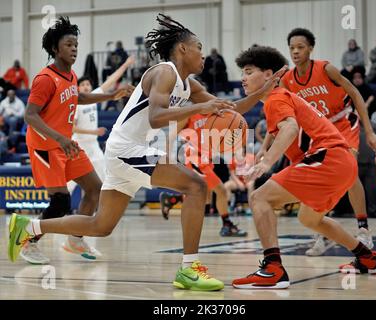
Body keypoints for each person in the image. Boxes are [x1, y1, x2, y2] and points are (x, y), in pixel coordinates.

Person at [8, 14, 284, 291]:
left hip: (128, 151)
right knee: (196, 184)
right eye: (199, 46)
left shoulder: (191, 85)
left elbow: (229, 108)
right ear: (183, 49)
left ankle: (29, 227)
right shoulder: (164, 72)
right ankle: (189, 269)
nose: (203, 54)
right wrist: (198, 109)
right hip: (127, 148)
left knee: (101, 225)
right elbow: (156, 117)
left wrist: (262, 91)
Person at [231, 45, 376, 290]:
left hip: (328, 158)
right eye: (243, 73)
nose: (243, 78)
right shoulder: (281, 99)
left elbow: (290, 129)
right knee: (310, 218)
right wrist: (263, 153)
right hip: (340, 163)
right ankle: (368, 257)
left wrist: (267, 163)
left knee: (259, 198)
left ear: (269, 74)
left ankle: (273, 269)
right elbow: (284, 130)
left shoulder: (276, 98)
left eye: (249, 72)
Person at [18, 16, 133, 265]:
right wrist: (60, 137)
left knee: (94, 189)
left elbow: (78, 99)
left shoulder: (70, 76)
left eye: (76, 45)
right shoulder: (45, 79)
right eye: (69, 44)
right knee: (61, 202)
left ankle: (75, 239)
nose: (74, 49)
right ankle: (27, 241)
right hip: (46, 146)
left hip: (65, 144)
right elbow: (29, 115)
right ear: (55, 49)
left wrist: (112, 95)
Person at [280, 28, 376, 256]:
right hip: (319, 130)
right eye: (292, 48)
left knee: (349, 173)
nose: (295, 52)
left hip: (344, 123)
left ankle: (363, 230)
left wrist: (371, 131)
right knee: (316, 179)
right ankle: (321, 231)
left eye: (300, 47)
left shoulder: (325, 68)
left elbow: (355, 93)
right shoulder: (287, 79)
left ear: (310, 49)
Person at [159, 113, 248, 237]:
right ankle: (227, 225)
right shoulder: (189, 114)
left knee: (205, 198)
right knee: (221, 191)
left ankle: (172, 199)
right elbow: (171, 135)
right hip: (194, 159)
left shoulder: (214, 112)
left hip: (207, 160)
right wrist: (167, 158)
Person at [67, 55, 135, 195]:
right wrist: (93, 132)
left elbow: (111, 80)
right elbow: (71, 128)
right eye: (83, 85)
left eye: (87, 84)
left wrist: (126, 64)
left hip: (93, 146)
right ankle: (58, 207)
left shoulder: (95, 95)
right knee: (71, 183)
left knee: (104, 179)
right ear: (78, 88)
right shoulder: (77, 103)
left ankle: (98, 213)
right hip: (78, 145)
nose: (86, 87)